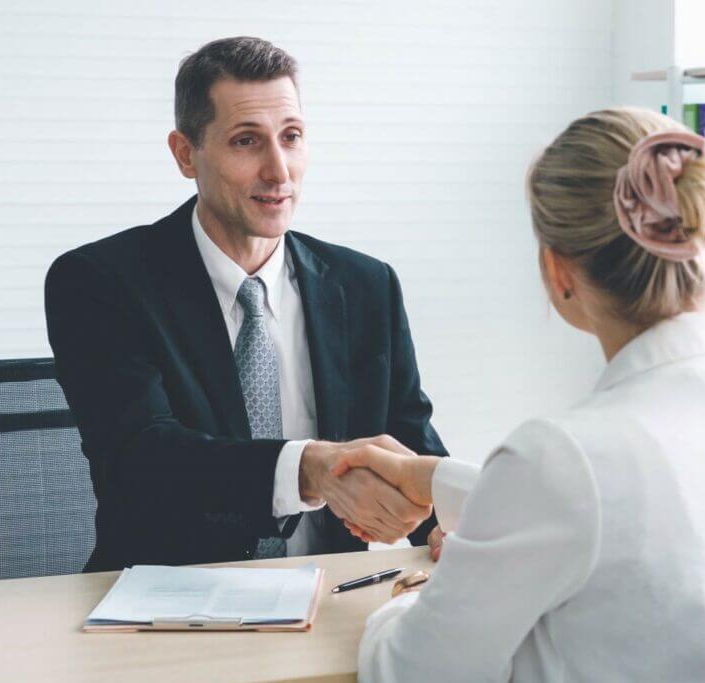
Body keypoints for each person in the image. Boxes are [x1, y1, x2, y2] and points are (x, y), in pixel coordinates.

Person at [336, 108, 705, 683]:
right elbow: (636, 520)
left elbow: (412, 674)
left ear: (558, 271)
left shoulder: (560, 458)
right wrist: (437, 478)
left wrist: (409, 602)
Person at [44, 36, 445, 572]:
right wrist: (308, 467)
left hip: (328, 599)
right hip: (165, 610)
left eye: (292, 137)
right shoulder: (101, 282)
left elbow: (410, 446)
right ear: (186, 154)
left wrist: (448, 524)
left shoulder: (366, 285)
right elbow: (141, 458)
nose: (279, 171)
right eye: (246, 141)